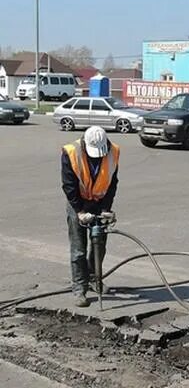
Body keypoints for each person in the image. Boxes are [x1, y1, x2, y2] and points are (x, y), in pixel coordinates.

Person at [61, 126, 119, 307]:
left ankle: (94, 279)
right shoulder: (71, 153)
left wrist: (106, 209)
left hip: (99, 203)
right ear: (85, 145)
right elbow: (69, 185)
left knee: (99, 246)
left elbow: (112, 183)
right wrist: (79, 211)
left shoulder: (113, 152)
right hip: (77, 203)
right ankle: (79, 288)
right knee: (79, 249)